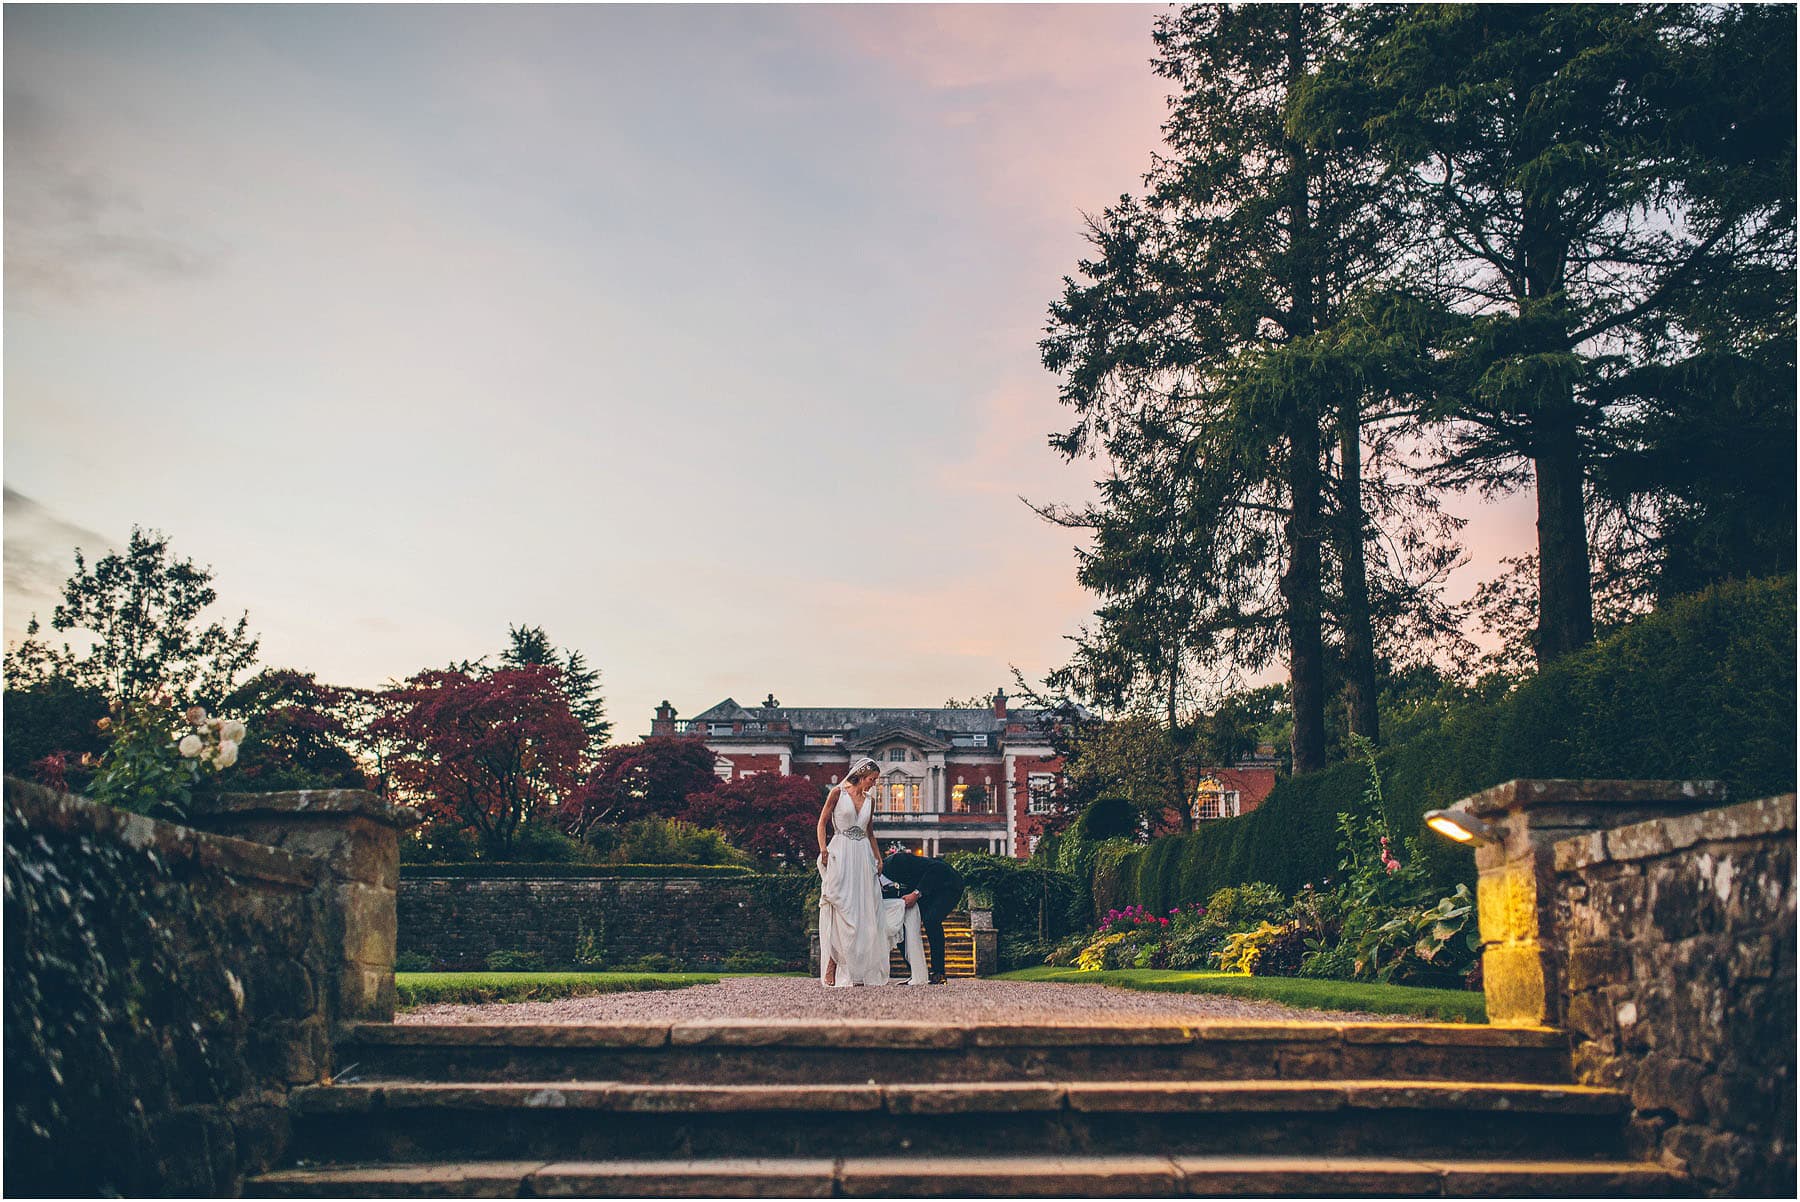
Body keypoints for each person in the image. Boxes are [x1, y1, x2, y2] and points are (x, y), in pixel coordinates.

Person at [815, 757, 895, 987]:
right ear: (861, 775)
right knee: (841, 908)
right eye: (872, 779)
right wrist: (823, 849)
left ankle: (858, 969)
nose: (873, 784)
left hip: (862, 857)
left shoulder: (870, 801)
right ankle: (832, 964)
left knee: (863, 913)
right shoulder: (837, 794)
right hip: (841, 852)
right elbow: (821, 823)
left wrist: (878, 858)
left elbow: (869, 833)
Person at [879, 845, 965, 985]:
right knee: (898, 927)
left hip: (947, 884)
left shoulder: (896, 861)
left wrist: (916, 893)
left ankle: (939, 973)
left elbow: (938, 869)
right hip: (926, 895)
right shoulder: (879, 890)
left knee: (931, 920)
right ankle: (917, 973)